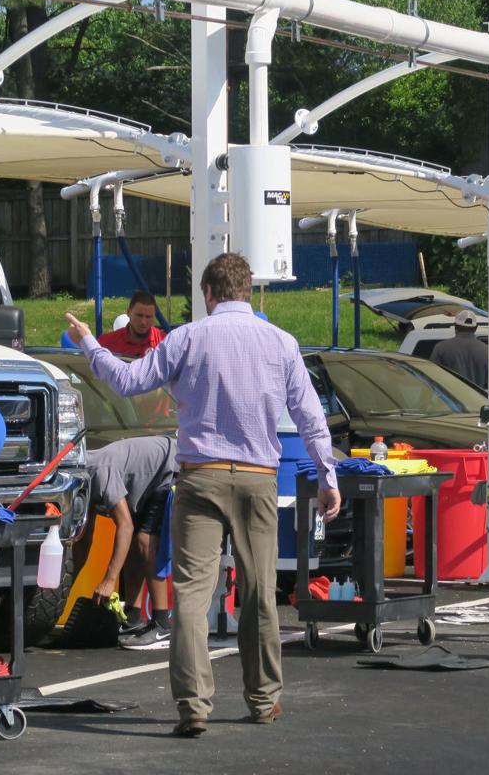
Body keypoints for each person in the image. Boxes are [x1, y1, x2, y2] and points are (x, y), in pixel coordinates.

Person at [64, 252, 341, 737]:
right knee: (259, 593)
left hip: (199, 475)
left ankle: (193, 705)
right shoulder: (281, 342)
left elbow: (127, 381)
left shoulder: (186, 338)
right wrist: (327, 477)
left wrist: (89, 342)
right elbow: (310, 417)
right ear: (249, 292)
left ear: (208, 295)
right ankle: (264, 699)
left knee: (191, 593)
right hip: (258, 478)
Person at [85, 436, 179, 651]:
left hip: (168, 468)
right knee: (134, 546)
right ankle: (133, 619)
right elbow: (85, 538)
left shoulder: (98, 472)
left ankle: (162, 623)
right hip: (144, 478)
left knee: (145, 541)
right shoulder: (82, 482)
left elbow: (124, 526)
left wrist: (109, 580)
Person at [97, 290, 167, 357]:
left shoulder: (165, 343)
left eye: (148, 317)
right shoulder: (106, 343)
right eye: (139, 315)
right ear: (128, 312)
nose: (143, 322)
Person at [429, 309, 487, 386]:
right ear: (476, 328)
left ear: (455, 326)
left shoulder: (441, 348)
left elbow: (432, 379)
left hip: (449, 397)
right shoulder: (487, 350)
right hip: (477, 397)